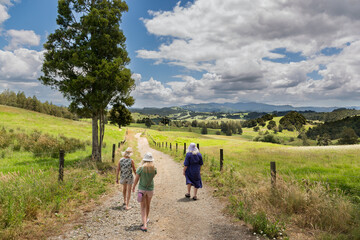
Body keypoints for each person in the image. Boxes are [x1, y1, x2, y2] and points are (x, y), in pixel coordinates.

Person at [132, 152, 157, 232]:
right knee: (148, 205)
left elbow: (136, 179)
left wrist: (133, 187)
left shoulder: (140, 168)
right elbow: (152, 177)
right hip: (150, 189)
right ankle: (146, 219)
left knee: (142, 207)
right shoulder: (154, 169)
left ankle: (144, 225)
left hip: (141, 190)